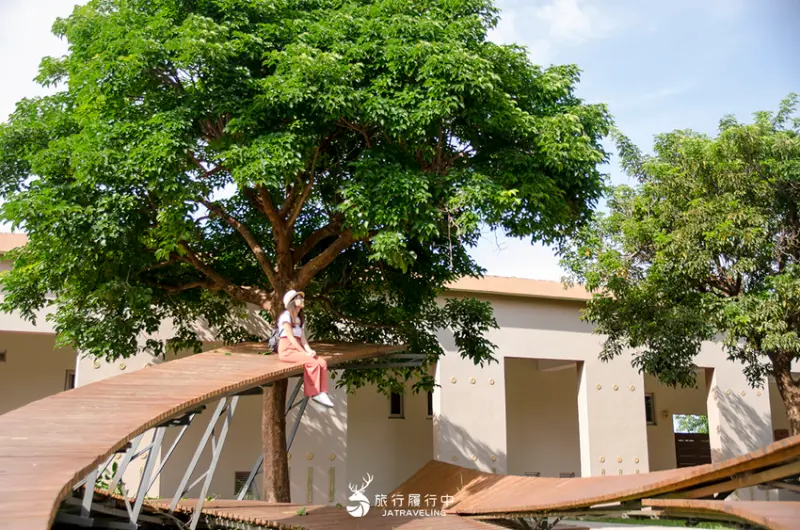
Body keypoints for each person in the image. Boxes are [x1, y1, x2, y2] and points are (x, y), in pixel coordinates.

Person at [277, 289, 334, 408]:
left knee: (322, 362)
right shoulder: (286, 316)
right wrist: (304, 353)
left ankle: (322, 392)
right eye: (298, 298)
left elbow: (302, 339)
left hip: (297, 348)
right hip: (287, 350)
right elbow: (291, 338)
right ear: (292, 302)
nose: (302, 300)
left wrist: (309, 350)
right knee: (312, 363)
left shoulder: (300, 318)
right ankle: (314, 393)